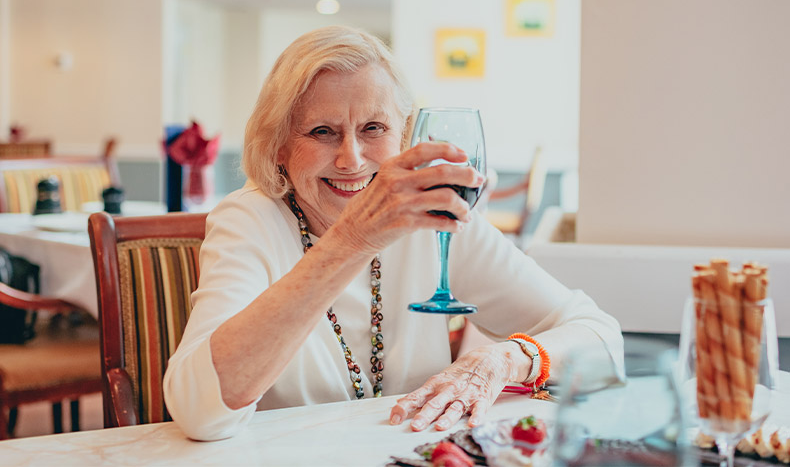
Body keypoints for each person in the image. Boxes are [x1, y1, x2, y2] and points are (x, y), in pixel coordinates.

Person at [163, 25, 624, 441]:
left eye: (373, 128)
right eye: (323, 131)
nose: (352, 159)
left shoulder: (433, 220)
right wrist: (356, 238)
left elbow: (602, 340)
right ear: (279, 146)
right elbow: (200, 413)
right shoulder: (248, 221)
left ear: (404, 135)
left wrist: (503, 360)